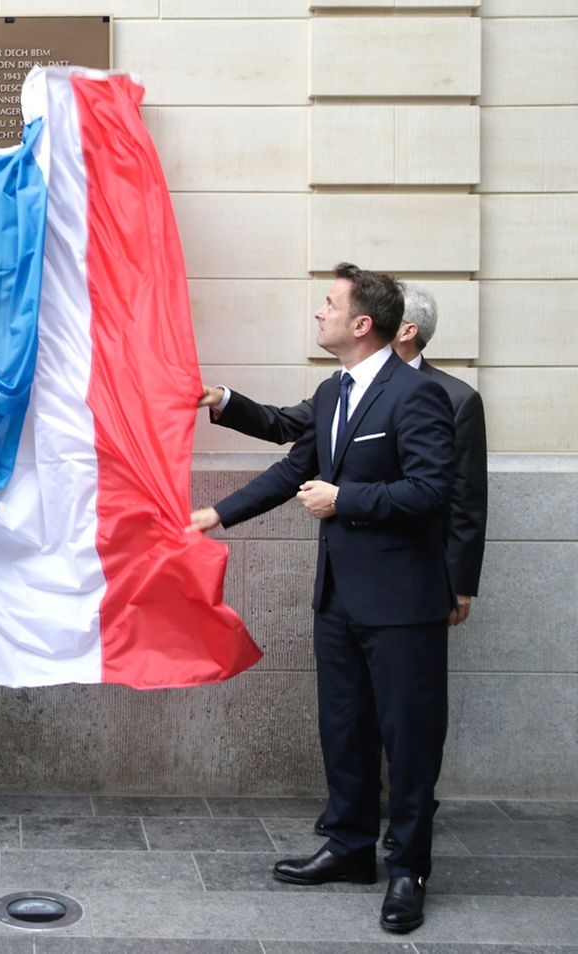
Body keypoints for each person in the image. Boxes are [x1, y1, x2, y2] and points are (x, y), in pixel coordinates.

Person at [189, 263, 454, 935]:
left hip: (401, 603)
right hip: (338, 598)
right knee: (345, 729)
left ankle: (408, 871)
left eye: (329, 304)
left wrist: (347, 500)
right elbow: (292, 466)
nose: (319, 313)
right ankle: (349, 846)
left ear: (363, 324)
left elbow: (431, 492)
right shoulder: (333, 392)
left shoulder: (416, 395)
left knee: (409, 738)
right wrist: (215, 515)